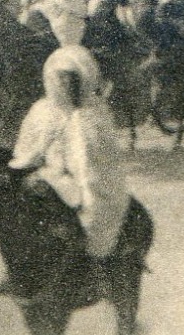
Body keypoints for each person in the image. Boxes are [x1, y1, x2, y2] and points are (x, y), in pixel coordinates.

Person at [8, 46, 130, 291]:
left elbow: (102, 156)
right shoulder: (41, 110)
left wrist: (81, 174)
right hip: (48, 174)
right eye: (60, 78)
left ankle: (94, 268)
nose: (65, 84)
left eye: (71, 78)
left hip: (90, 178)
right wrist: (35, 162)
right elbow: (25, 149)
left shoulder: (93, 112)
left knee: (90, 208)